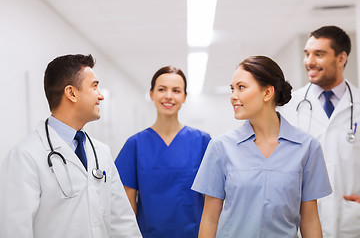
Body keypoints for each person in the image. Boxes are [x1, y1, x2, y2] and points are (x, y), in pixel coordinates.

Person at [0, 54, 142, 238]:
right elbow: (15, 230)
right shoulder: (26, 156)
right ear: (71, 93)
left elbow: (123, 221)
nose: (100, 95)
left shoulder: (101, 152)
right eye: (94, 86)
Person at [191, 56, 332, 237]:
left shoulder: (307, 147)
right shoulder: (220, 147)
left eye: (241, 87)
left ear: (267, 93)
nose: (233, 96)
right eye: (232, 89)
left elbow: (310, 219)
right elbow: (210, 218)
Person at [278, 25, 360, 237]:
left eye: (319, 54)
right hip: (302, 217)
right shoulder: (290, 106)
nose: (309, 61)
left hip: (351, 219)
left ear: (341, 58)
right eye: (307, 54)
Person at [115, 65, 211, 238]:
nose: (168, 96)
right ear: (151, 94)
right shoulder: (135, 145)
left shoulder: (203, 142)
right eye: (162, 89)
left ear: (184, 96)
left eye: (176, 90)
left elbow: (212, 203)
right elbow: (127, 208)